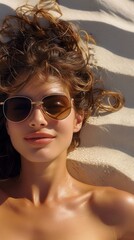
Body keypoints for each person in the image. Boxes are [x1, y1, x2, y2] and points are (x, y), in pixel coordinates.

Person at [0, 0, 133, 239]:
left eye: (55, 105)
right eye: (20, 107)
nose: (38, 119)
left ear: (78, 118)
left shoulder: (119, 213)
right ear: (7, 123)